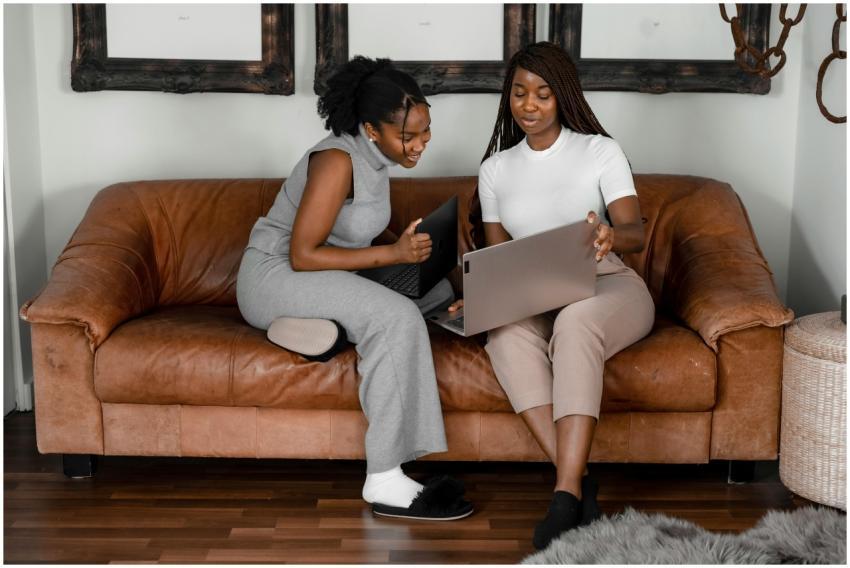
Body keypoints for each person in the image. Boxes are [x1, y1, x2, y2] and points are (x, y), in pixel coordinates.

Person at [236, 56, 472, 521]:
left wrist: (411, 254)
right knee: (394, 316)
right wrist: (394, 255)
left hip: (322, 276)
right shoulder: (336, 161)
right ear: (370, 130)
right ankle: (384, 476)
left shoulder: (376, 159)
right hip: (275, 275)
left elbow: (352, 233)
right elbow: (303, 255)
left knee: (436, 292)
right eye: (408, 135)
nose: (420, 143)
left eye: (425, 130)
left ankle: (323, 329)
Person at [450, 42, 655, 548]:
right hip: (534, 290)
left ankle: (564, 494)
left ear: (562, 96)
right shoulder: (496, 169)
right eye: (519, 92)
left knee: (576, 323)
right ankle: (580, 478)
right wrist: (483, 295)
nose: (530, 105)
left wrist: (609, 235)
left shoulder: (599, 151)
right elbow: (500, 257)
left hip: (606, 280)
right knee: (503, 333)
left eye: (543, 94)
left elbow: (635, 232)